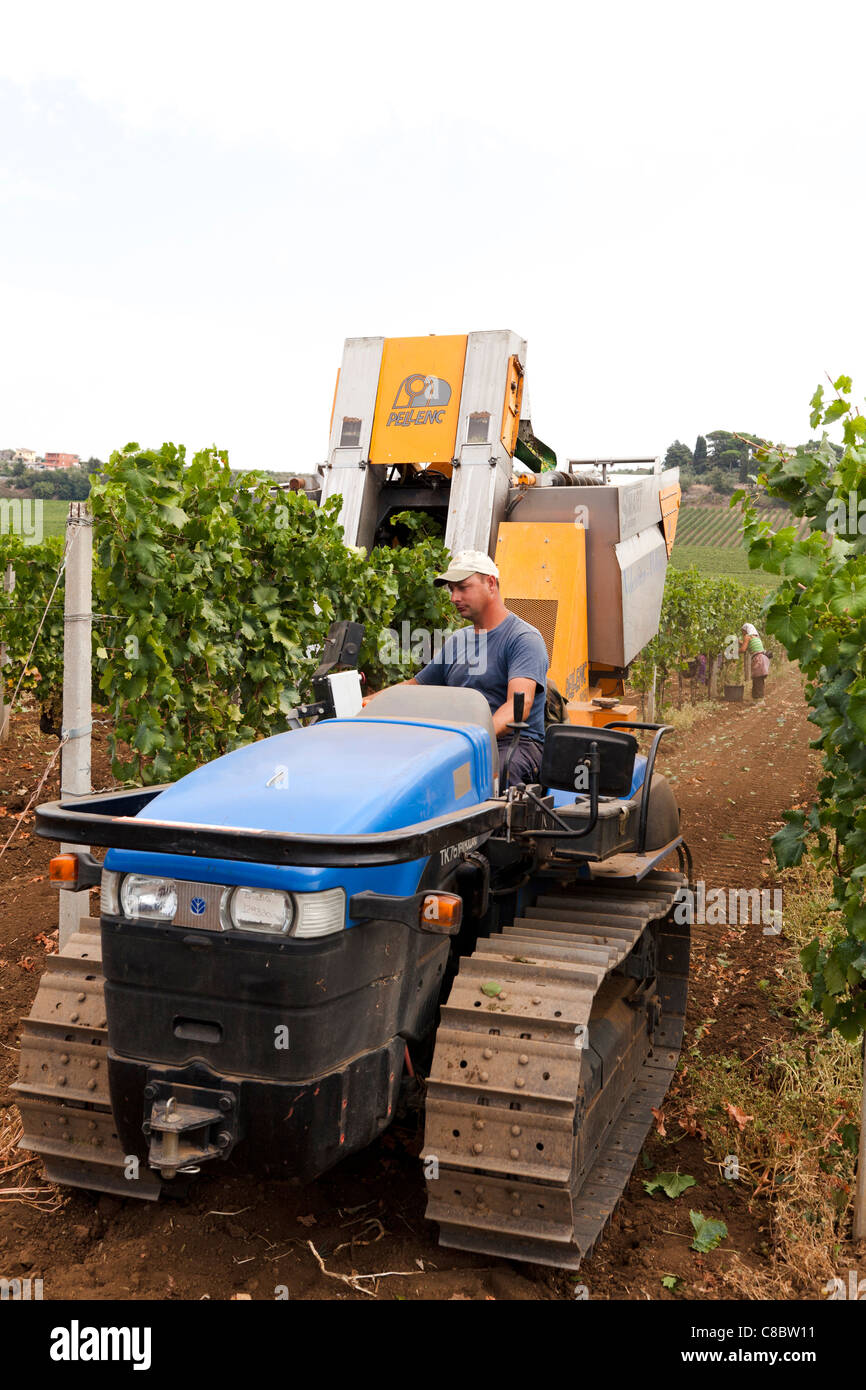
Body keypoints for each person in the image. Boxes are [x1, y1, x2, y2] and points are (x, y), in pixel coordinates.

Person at [368, 550, 549, 788]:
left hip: (514, 744)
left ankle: (502, 826)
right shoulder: (457, 641)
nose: (454, 597)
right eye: (451, 590)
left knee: (495, 775)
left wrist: (467, 740)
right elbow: (413, 687)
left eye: (463, 587)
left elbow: (517, 708)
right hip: (459, 742)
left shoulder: (523, 638)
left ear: (491, 583)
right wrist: (363, 704)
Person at [739, 623, 770, 699]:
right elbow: (748, 645)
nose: (742, 633)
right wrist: (738, 641)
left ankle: (760, 701)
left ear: (746, 630)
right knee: (759, 680)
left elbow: (743, 649)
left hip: (758, 659)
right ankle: (757, 700)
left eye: (743, 631)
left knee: (758, 680)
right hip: (763, 659)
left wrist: (733, 652)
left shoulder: (747, 637)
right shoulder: (755, 637)